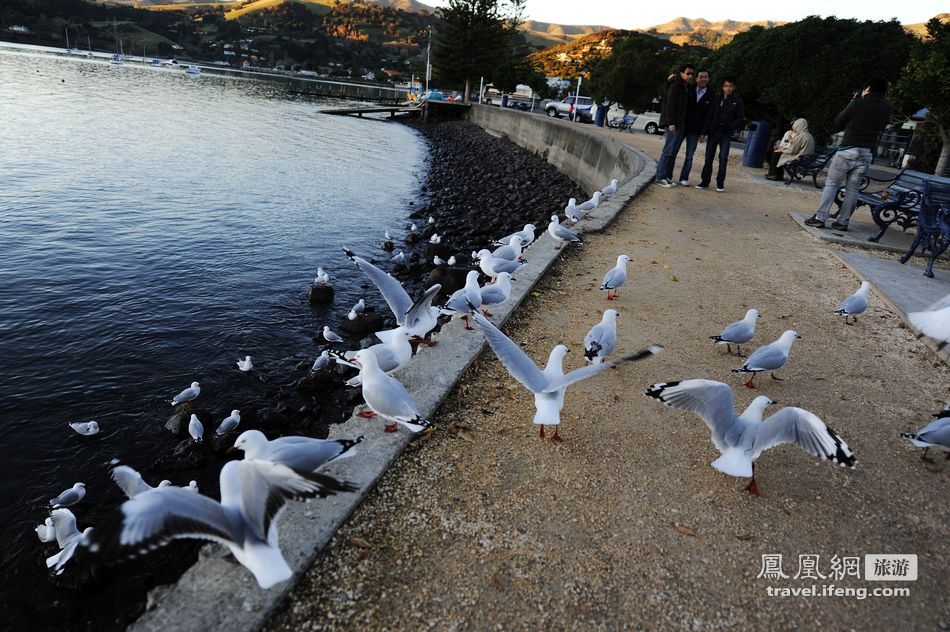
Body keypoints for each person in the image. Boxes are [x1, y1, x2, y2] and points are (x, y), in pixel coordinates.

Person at [805, 78, 892, 231]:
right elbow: (883, 126)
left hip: (848, 150)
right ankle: (843, 221)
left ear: (867, 89)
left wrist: (853, 100)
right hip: (866, 153)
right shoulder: (887, 107)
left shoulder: (858, 103)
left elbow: (839, 122)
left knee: (832, 184)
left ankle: (820, 217)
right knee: (853, 189)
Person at [696, 76, 745, 192]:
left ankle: (720, 183)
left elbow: (740, 117)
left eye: (731, 86)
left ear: (734, 87)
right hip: (713, 133)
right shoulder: (716, 100)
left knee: (723, 158)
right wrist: (703, 133)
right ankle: (705, 181)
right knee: (708, 158)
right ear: (723, 87)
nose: (728, 88)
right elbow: (709, 116)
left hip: (726, 135)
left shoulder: (737, 101)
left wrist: (731, 128)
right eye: (726, 86)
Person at [655, 63, 694, 188]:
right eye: (688, 73)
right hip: (673, 124)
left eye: (692, 74)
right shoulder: (676, 85)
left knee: (673, 153)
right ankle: (660, 177)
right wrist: (671, 123)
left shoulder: (687, 87)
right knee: (667, 151)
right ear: (682, 73)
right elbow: (670, 104)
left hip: (681, 125)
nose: (690, 76)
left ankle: (667, 176)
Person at [677, 69, 713, 186]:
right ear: (696, 78)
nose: (703, 79)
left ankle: (684, 178)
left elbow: (709, 116)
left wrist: (703, 133)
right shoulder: (689, 89)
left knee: (689, 156)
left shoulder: (711, 95)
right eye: (701, 77)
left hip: (696, 130)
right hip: (682, 126)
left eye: (705, 77)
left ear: (708, 79)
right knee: (673, 152)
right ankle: (667, 175)